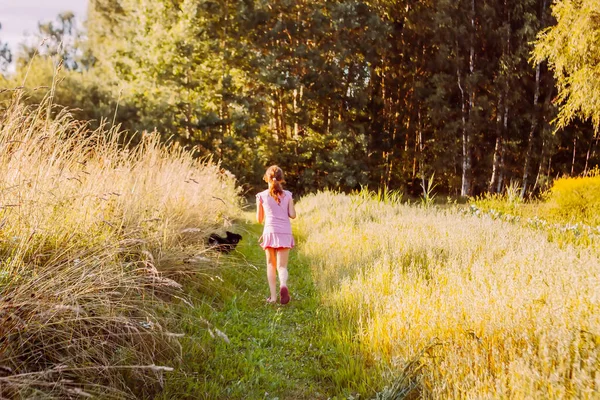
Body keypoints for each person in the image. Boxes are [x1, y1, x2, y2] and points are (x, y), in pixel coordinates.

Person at [256, 165, 297, 304]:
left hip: (270, 231)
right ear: (281, 179)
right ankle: (283, 284)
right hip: (285, 232)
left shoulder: (261, 196)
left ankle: (273, 298)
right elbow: (292, 215)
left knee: (270, 264)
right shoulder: (288, 195)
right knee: (282, 266)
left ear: (267, 178)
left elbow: (259, 219)